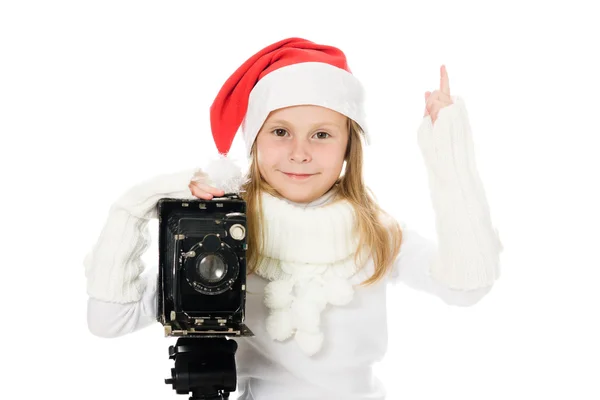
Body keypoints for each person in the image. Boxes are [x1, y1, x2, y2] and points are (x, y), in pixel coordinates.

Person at [83, 37, 503, 399]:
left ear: (347, 148)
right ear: (255, 140)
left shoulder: (376, 233)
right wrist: (136, 206)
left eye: (321, 134)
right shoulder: (220, 232)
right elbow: (109, 321)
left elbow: (466, 287)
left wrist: (450, 155)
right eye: (280, 131)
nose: (299, 153)